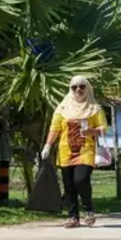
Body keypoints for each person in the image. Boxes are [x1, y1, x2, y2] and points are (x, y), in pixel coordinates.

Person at [41, 76, 107, 228]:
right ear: (70, 89)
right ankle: (73, 217)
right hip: (65, 151)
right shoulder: (62, 108)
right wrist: (48, 145)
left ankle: (88, 209)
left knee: (81, 179)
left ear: (87, 88)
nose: (78, 90)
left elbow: (103, 128)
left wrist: (92, 131)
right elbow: (55, 128)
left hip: (86, 150)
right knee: (69, 185)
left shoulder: (94, 108)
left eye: (82, 86)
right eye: (74, 87)